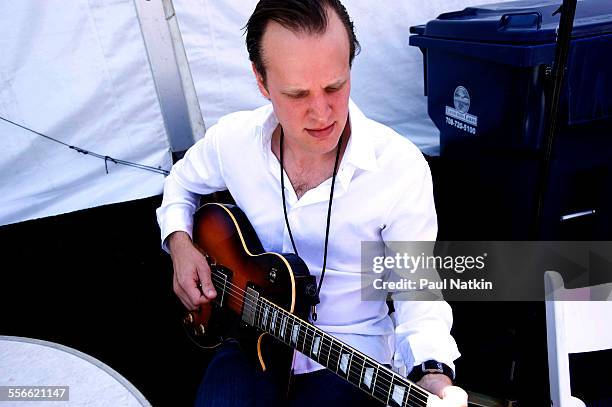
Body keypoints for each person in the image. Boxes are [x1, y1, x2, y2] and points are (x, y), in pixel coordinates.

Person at [156, 1, 467, 405]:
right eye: (297, 94)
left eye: (335, 87)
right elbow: (181, 182)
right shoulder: (233, 140)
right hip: (248, 334)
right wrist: (179, 243)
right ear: (262, 82)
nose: (321, 113)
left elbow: (416, 289)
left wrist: (432, 373)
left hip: (351, 355)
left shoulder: (399, 168)